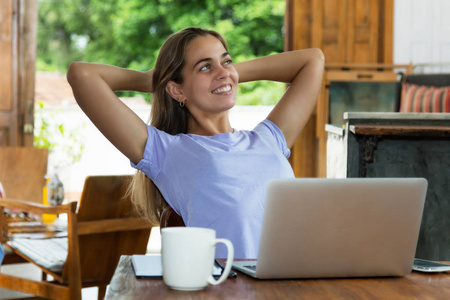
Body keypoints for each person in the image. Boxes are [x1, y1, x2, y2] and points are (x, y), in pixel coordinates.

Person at [67, 27, 324, 259]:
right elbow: (82, 74)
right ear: (177, 90)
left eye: (227, 61)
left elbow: (313, 59)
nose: (223, 71)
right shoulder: (167, 152)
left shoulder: (268, 139)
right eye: (204, 67)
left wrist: (226, 75)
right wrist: (153, 81)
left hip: (297, 280)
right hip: (231, 289)